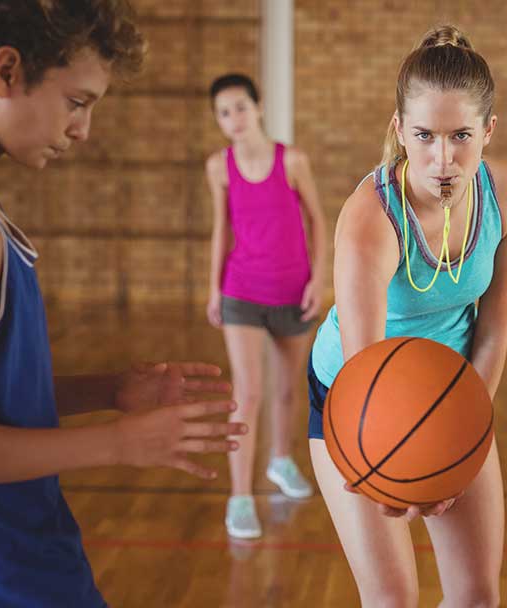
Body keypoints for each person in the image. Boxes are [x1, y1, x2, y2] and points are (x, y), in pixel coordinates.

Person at [0, 1, 245, 605]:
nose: (83, 130)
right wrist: (120, 443)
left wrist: (106, 393)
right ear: (6, 72)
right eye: (77, 101)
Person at [307, 25, 507, 607]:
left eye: (461, 135)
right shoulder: (370, 217)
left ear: (489, 130)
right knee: (392, 602)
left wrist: (458, 441)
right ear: (399, 131)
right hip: (356, 398)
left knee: (479, 598)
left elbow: (495, 327)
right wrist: (409, 460)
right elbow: (365, 373)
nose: (443, 159)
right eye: (425, 135)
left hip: (452, 385)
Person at [205, 73, 328, 539]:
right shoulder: (218, 166)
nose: (233, 118)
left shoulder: (292, 160)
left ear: (258, 107)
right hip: (242, 292)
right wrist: (214, 287)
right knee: (249, 393)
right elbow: (222, 228)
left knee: (285, 390)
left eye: (240, 107)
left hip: (293, 292)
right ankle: (239, 497)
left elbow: (318, 218)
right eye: (223, 112)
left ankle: (280, 460)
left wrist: (320, 278)